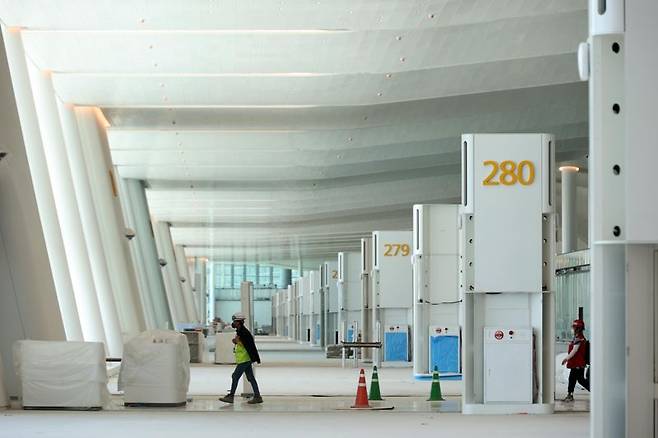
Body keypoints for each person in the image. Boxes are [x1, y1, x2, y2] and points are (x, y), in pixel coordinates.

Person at [219, 312, 263, 404]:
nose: (233, 323)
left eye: (234, 321)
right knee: (250, 378)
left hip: (244, 358)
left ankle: (231, 396)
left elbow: (246, 344)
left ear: (238, 322)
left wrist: (236, 341)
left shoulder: (243, 332)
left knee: (235, 376)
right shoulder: (240, 331)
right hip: (245, 358)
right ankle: (258, 396)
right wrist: (236, 341)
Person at [561, 319, 590, 402]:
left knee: (575, 379)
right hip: (578, 363)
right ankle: (570, 394)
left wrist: (566, 358)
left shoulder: (579, 338)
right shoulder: (579, 338)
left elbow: (574, 350)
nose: (572, 329)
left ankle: (570, 395)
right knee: (578, 379)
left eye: (573, 327)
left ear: (577, 328)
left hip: (577, 363)